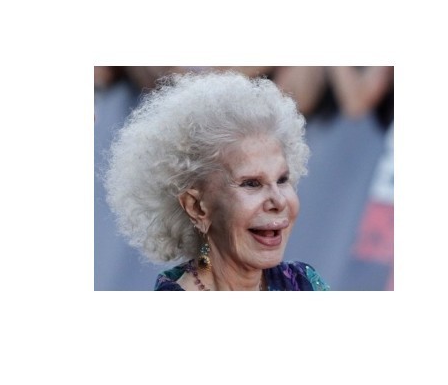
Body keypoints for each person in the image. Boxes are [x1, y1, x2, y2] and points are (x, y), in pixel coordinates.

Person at [103, 71, 330, 291]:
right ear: (196, 207)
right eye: (251, 183)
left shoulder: (303, 282)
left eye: (282, 180)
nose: (279, 201)